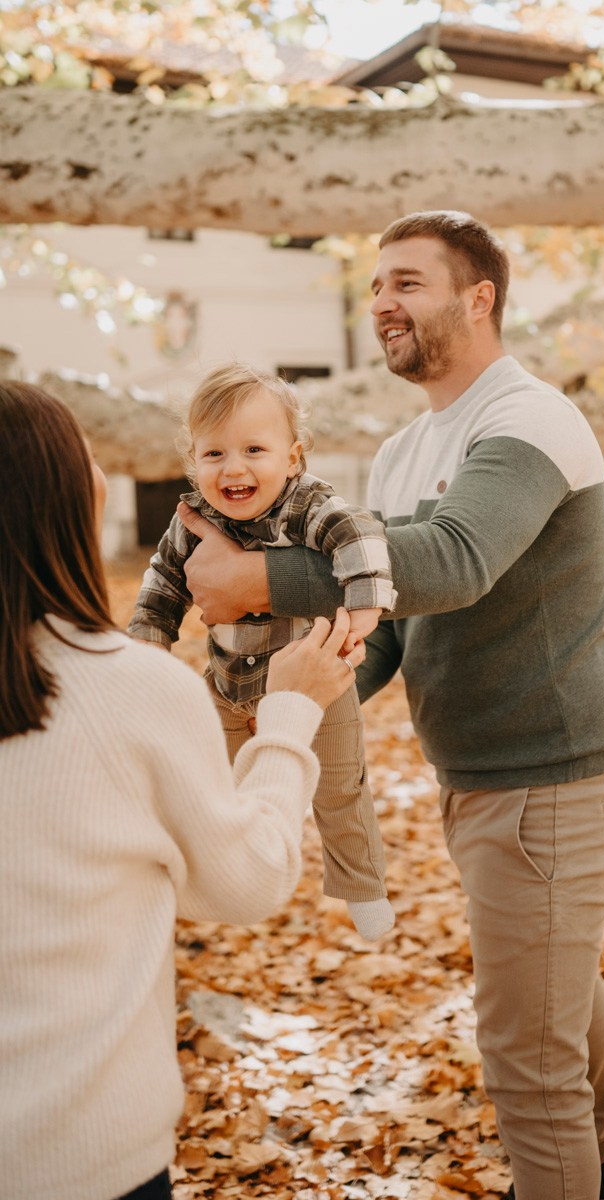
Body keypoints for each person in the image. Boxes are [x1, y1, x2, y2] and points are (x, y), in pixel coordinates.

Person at [176, 211, 604, 1200]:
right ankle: (603, 1168)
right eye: (376, 285)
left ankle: (571, 1168)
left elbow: (456, 562)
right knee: (557, 987)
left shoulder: (526, 420)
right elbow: (379, 623)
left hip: (550, 783)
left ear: (478, 299)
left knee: (526, 1064)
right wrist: (274, 701)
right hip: (484, 783)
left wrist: (259, 577)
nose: (382, 302)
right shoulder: (399, 454)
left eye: (408, 282)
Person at [0, 380, 365, 1200]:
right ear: (64, 495)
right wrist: (289, 714)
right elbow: (243, 881)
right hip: (84, 1155)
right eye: (90, 455)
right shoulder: (133, 690)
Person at [128, 364, 397, 941]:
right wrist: (147, 648)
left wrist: (367, 603)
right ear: (194, 461)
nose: (234, 468)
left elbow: (359, 533)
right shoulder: (192, 521)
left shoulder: (306, 506)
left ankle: (362, 886)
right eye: (214, 454)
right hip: (226, 686)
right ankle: (213, 873)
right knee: (207, 786)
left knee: (341, 792)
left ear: (293, 457)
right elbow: (162, 586)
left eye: (255, 449)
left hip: (313, 684)